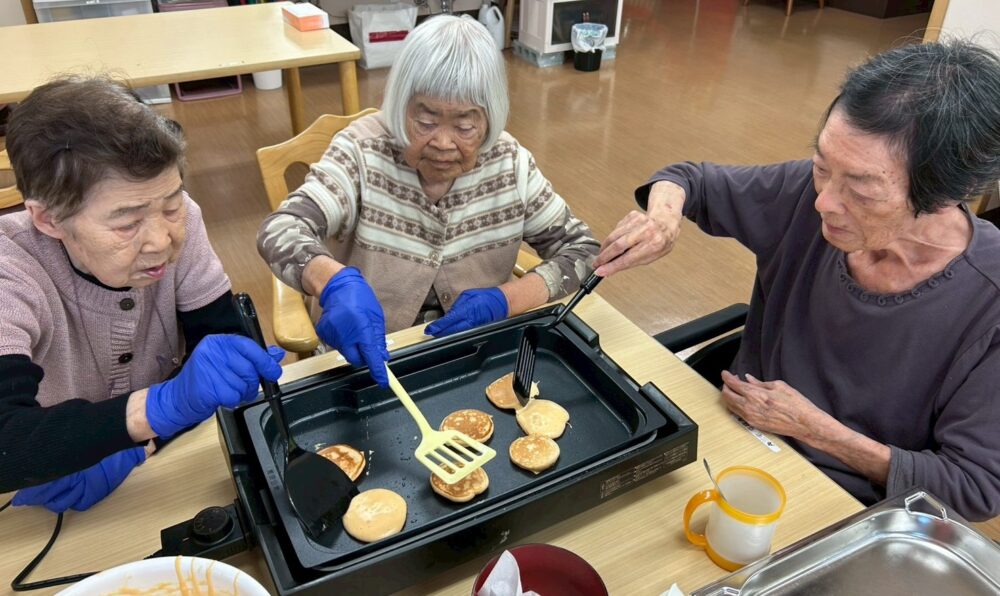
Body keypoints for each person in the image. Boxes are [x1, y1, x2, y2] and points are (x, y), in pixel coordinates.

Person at [593, 40, 1000, 521]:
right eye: (822, 165)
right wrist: (663, 217)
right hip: (731, 442)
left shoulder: (985, 302)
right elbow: (690, 180)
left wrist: (817, 430)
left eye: (861, 190)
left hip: (844, 509)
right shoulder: (807, 192)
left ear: (943, 195)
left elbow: (974, 487)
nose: (823, 202)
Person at [257, 15, 599, 387]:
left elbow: (583, 249)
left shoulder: (509, 163)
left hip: (477, 355)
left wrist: (508, 299)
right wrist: (332, 281)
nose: (443, 143)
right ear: (402, 105)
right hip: (366, 359)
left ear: (491, 119)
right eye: (426, 119)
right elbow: (281, 229)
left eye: (465, 125)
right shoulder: (362, 154)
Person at [0, 76, 284, 511]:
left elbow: (224, 340)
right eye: (126, 223)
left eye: (170, 205)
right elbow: (8, 438)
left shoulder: (181, 221)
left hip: (160, 475)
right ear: (49, 219)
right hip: (47, 491)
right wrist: (154, 410)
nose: (161, 241)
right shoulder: (12, 270)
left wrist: (148, 437)